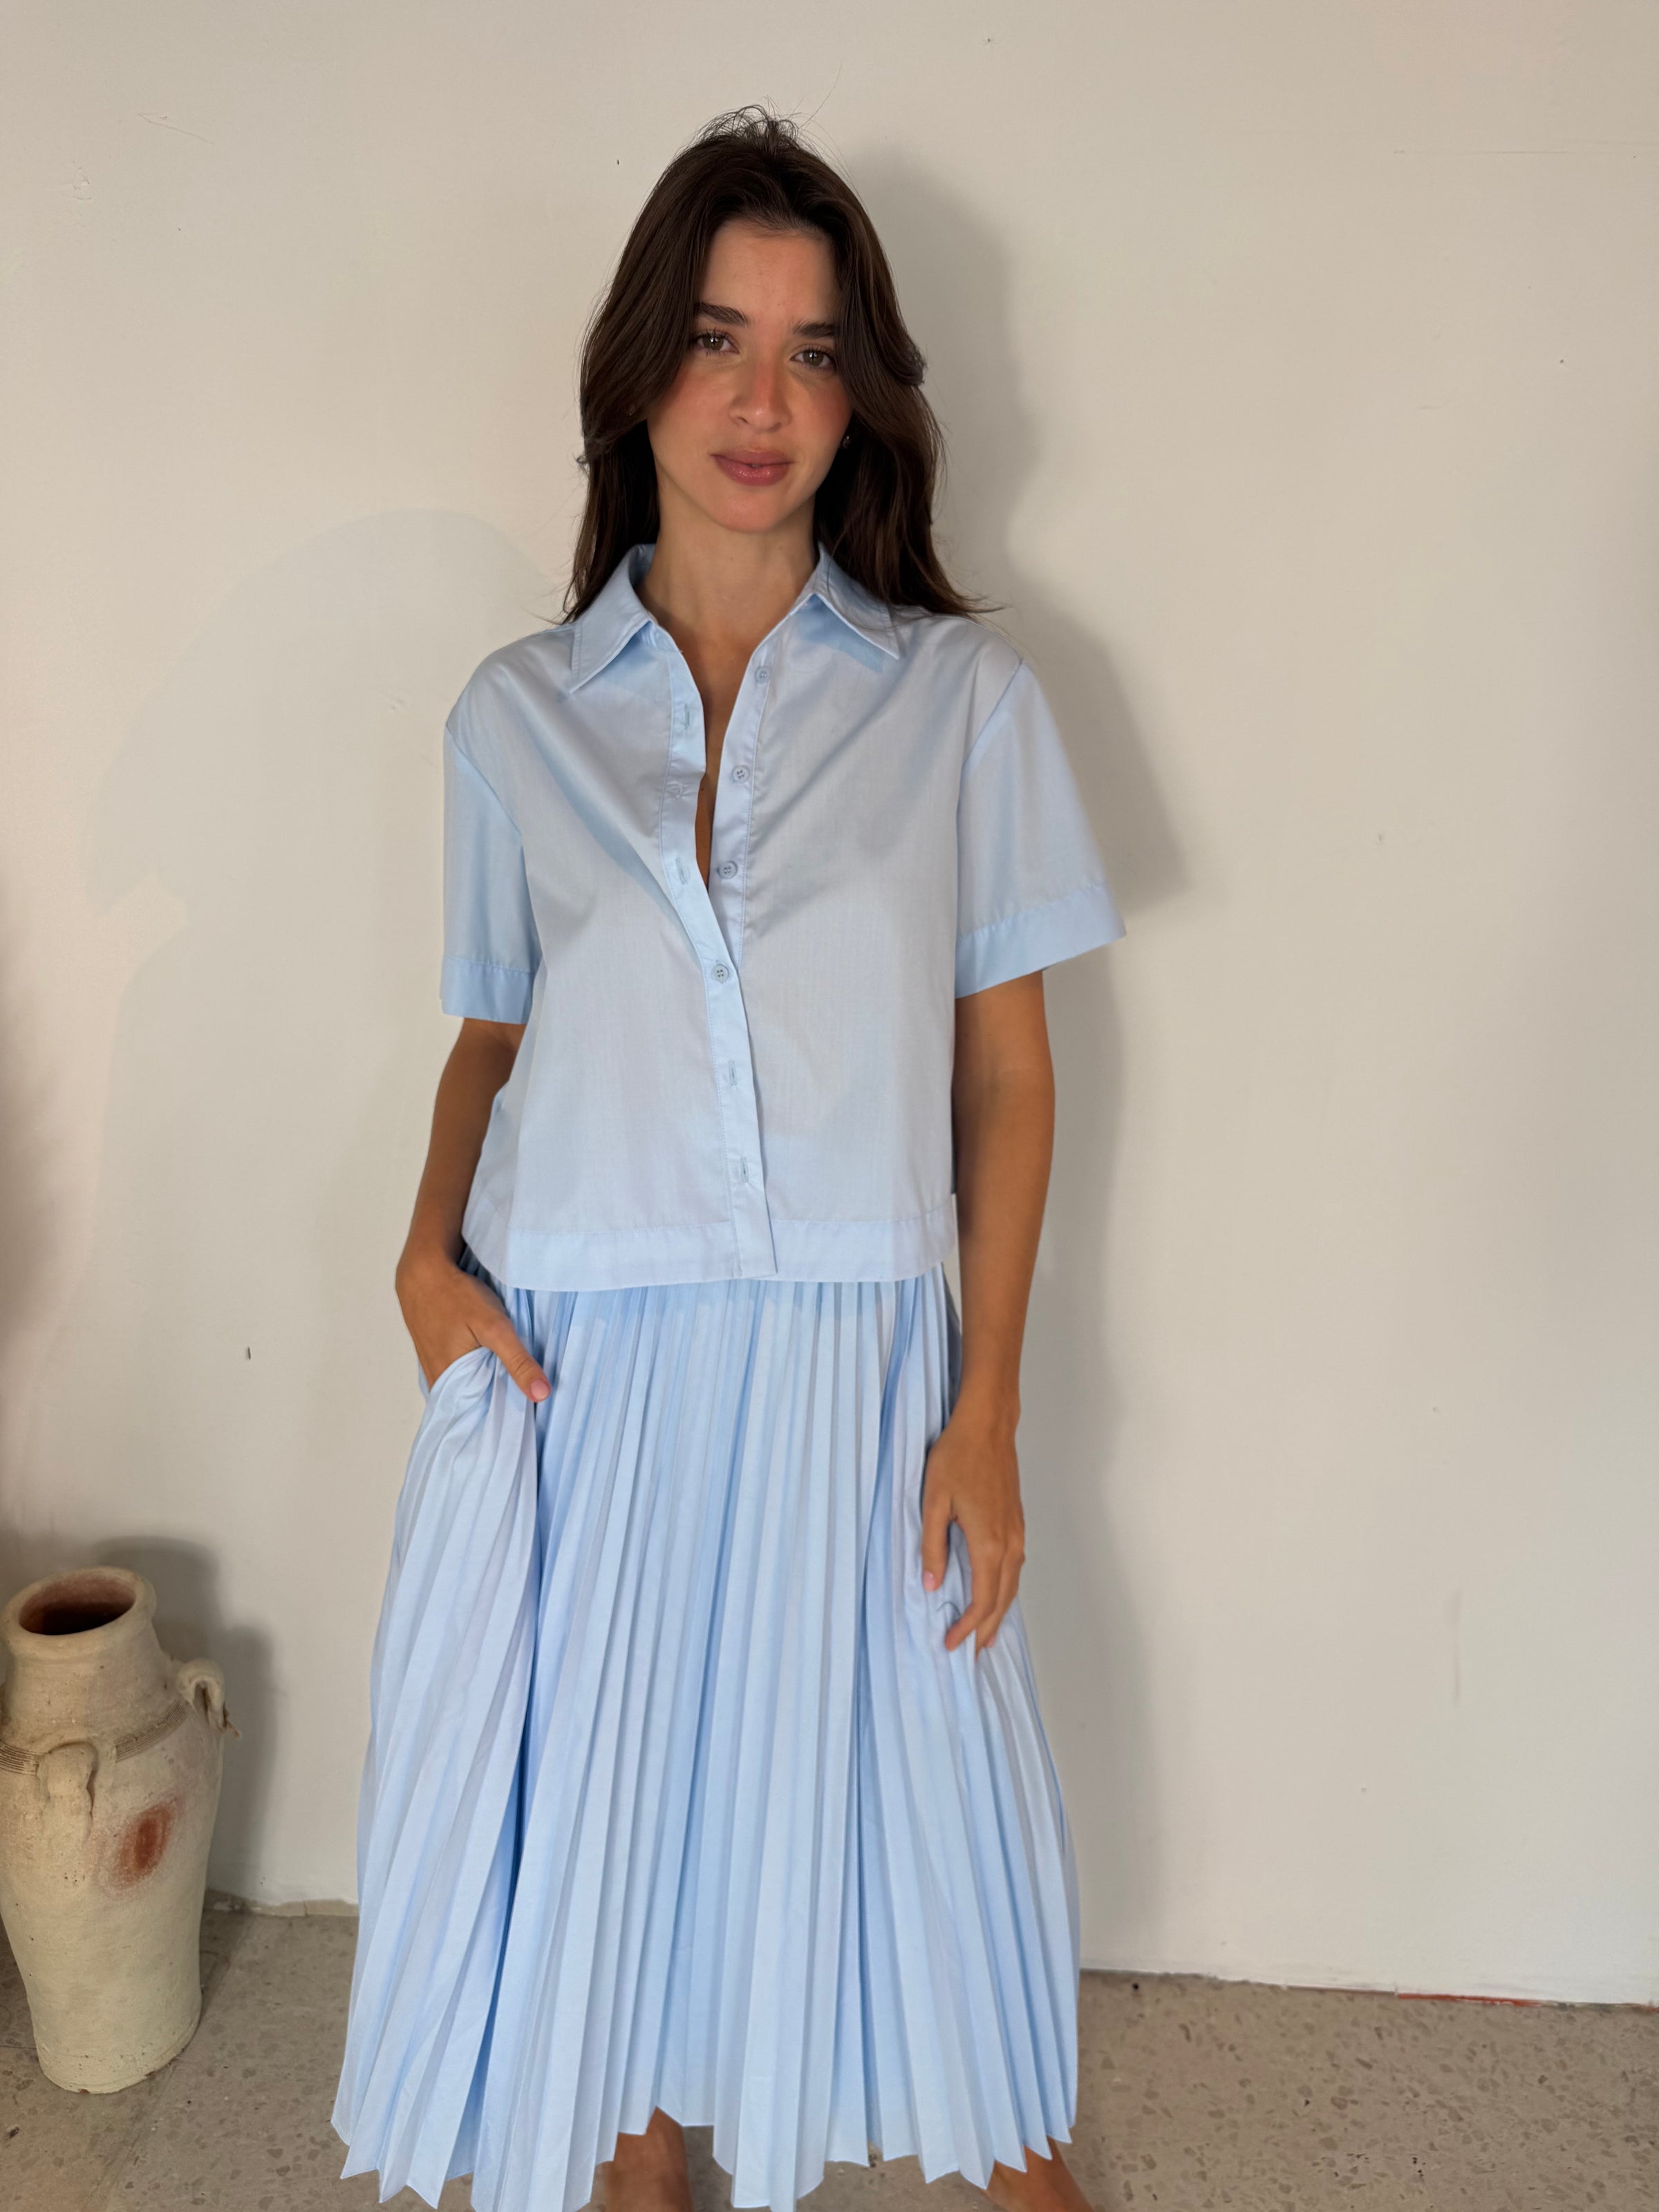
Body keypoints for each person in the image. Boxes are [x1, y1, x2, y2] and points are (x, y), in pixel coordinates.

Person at [332, 104, 1125, 2212]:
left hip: (858, 1366)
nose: (761, 401)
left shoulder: (961, 705)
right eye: (715, 339)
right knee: (615, 1856)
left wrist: (987, 1405)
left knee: (937, 1843)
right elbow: (493, 1036)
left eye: (811, 350)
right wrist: (422, 1257)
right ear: (638, 374)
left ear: (860, 398)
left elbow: (1010, 1080)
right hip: (580, 1364)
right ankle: (642, 2158)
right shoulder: (514, 717)